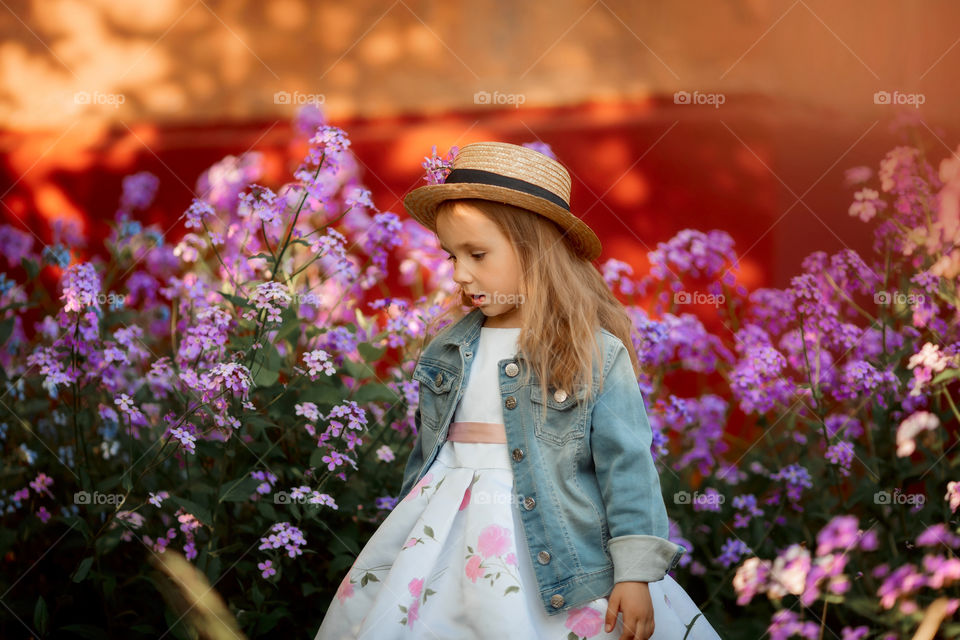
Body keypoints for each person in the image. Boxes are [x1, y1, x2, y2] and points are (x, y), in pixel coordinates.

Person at [314, 142, 723, 639]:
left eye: (477, 254)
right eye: (452, 256)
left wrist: (635, 571)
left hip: (562, 555)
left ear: (536, 250)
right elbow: (425, 458)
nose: (460, 274)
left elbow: (627, 466)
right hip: (442, 542)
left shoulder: (593, 353)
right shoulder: (449, 349)